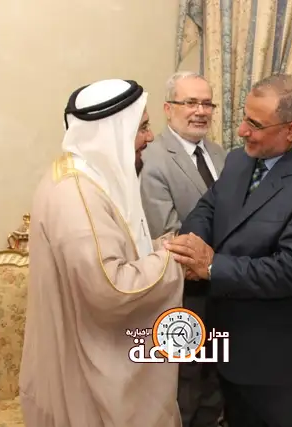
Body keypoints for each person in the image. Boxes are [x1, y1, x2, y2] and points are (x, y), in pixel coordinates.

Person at [164, 73, 292, 427]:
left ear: (291, 130)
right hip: (234, 353)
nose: (242, 131)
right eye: (244, 118)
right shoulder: (240, 160)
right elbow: (208, 209)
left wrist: (212, 267)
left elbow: (291, 272)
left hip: (291, 365)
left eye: (255, 124)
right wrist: (189, 247)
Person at [19, 79, 185, 427]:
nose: (150, 137)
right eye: (142, 127)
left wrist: (161, 247)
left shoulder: (93, 176)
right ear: (112, 133)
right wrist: (176, 260)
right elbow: (110, 285)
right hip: (88, 362)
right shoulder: (76, 195)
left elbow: (119, 247)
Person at [140, 71, 227, 427]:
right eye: (190, 102)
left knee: (216, 382)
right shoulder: (152, 158)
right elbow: (167, 234)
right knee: (185, 386)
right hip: (183, 294)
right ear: (168, 108)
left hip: (225, 289)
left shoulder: (222, 155)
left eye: (207, 103)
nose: (201, 111)